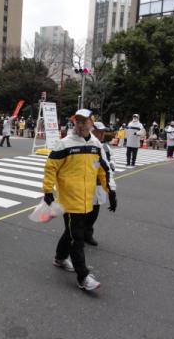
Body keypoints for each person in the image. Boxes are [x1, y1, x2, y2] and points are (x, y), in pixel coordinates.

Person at [43, 109, 116, 291]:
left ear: (91, 123)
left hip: (87, 198)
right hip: (69, 200)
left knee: (71, 233)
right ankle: (83, 277)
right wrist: (47, 190)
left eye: (84, 121)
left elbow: (103, 169)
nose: (81, 124)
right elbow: (51, 167)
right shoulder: (64, 144)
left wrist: (111, 191)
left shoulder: (95, 144)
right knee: (77, 238)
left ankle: (60, 258)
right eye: (78, 121)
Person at [85, 122, 117, 246]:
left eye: (103, 131)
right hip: (86, 184)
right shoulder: (86, 144)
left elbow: (110, 160)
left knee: (94, 211)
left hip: (100, 184)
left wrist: (112, 164)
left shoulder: (105, 147)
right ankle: (78, 235)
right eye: (100, 132)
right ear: (92, 131)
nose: (102, 134)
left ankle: (88, 234)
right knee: (83, 212)